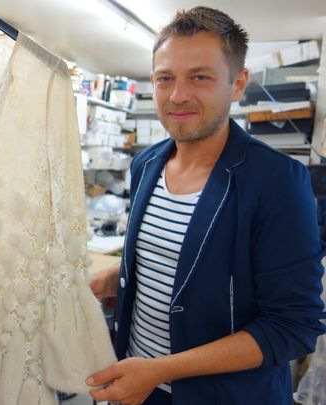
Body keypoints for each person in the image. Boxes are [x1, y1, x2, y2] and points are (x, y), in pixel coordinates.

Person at [87, 6, 325, 405]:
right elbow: (190, 262)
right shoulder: (146, 164)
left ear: (237, 83)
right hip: (133, 386)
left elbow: (293, 325)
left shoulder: (277, 182)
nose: (178, 95)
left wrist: (161, 369)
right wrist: (122, 273)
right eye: (166, 78)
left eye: (200, 77)